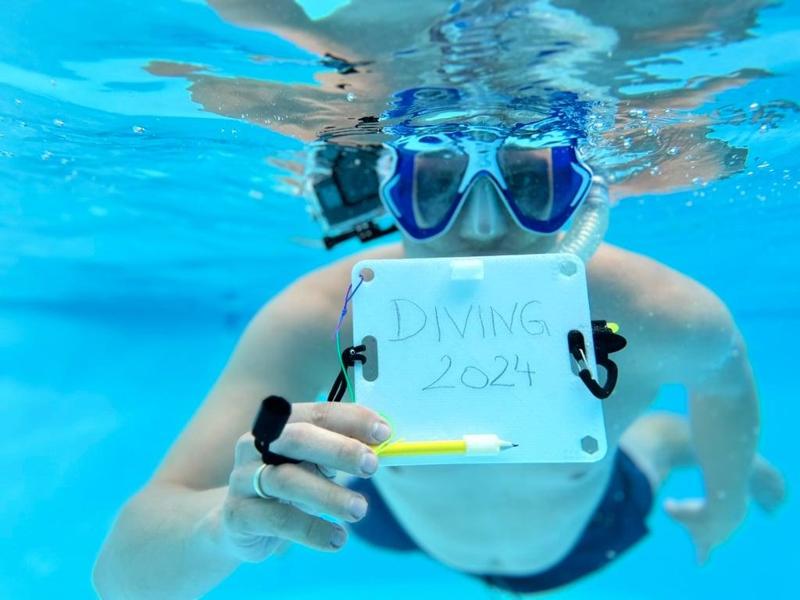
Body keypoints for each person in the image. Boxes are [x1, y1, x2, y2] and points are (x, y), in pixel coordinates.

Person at [93, 125, 786, 598]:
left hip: (578, 535)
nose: (482, 225)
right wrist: (223, 524)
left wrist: (726, 497)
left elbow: (724, 385)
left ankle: (666, 443)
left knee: (654, 443)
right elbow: (120, 575)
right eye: (434, 184)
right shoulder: (320, 317)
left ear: (581, 193)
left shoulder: (658, 309)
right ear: (388, 189)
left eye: (527, 179)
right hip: (392, 518)